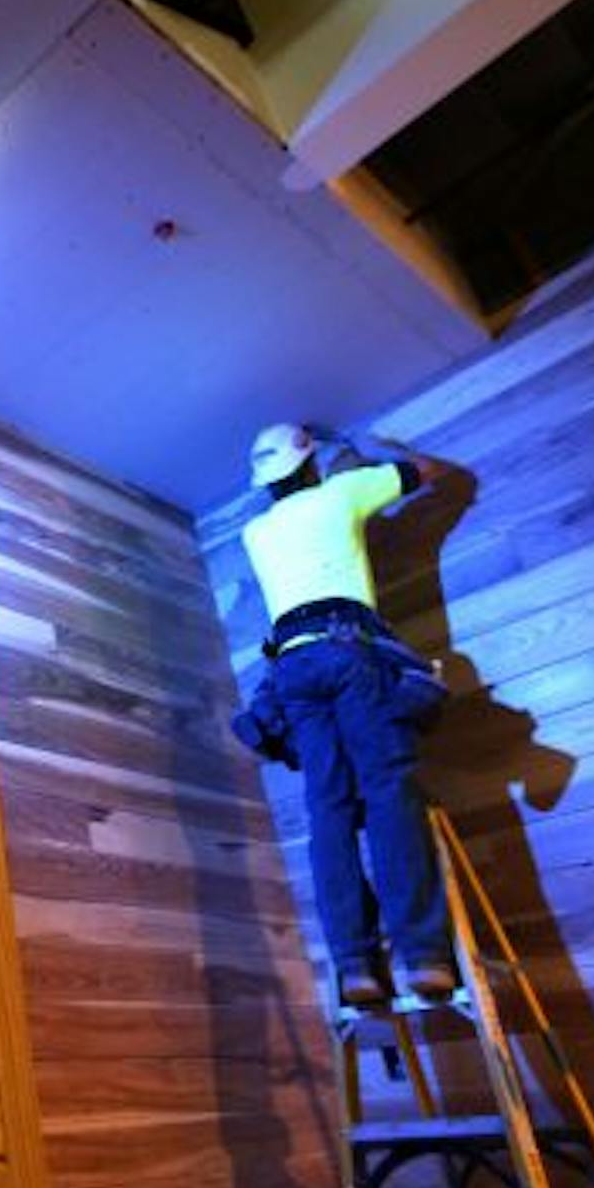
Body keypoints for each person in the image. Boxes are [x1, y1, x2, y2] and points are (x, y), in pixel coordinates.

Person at [240, 421, 455, 1007]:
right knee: (387, 792)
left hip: (291, 670)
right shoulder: (341, 494)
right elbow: (433, 473)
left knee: (329, 809)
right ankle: (423, 956)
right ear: (310, 463)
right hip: (347, 653)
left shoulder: (255, 531)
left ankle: (356, 967)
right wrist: (370, 450)